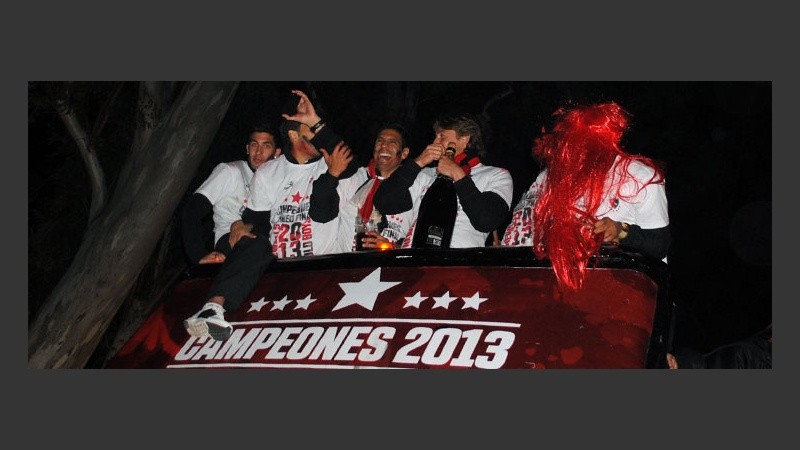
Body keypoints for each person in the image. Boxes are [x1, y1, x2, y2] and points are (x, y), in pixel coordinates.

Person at [183, 90, 361, 341]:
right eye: (311, 132)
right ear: (292, 135)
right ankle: (212, 308)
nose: (319, 137)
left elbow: (349, 162)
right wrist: (240, 227)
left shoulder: (328, 164)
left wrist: (315, 122)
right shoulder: (267, 173)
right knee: (255, 244)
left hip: (322, 269)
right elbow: (258, 224)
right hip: (278, 271)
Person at [501, 101, 670, 291]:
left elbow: (660, 244)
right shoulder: (555, 178)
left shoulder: (640, 177)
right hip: (575, 291)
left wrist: (620, 231)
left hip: (630, 291)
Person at [373, 112, 514, 248]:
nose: (435, 142)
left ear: (464, 140)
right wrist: (418, 163)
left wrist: (457, 174)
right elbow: (384, 202)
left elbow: (486, 221)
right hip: (414, 261)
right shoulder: (426, 175)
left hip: (455, 265)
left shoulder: (496, 175)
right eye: (435, 136)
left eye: (442, 136)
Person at [180, 123, 281, 265]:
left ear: (276, 153)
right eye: (254, 145)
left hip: (270, 242)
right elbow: (191, 211)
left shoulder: (280, 180)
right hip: (232, 241)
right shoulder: (230, 171)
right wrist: (198, 256)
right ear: (247, 148)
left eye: (266, 146)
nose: (258, 152)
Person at [314, 122, 416, 251]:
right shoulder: (355, 177)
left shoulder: (415, 185)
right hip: (348, 267)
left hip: (389, 267)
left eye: (392, 142)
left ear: (404, 153)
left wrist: (392, 247)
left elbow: (418, 238)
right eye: (380, 141)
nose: (384, 145)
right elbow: (321, 213)